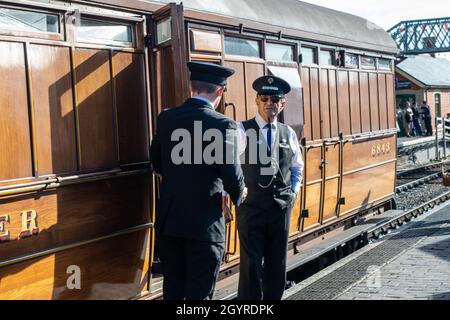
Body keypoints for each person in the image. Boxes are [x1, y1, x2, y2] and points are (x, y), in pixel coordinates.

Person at [150, 61, 247, 300]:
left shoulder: (167, 118)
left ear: (191, 87)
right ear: (220, 91)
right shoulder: (224, 125)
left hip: (171, 223)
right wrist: (239, 192)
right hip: (205, 226)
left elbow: (156, 162)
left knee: (173, 290)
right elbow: (230, 171)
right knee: (200, 295)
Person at [236, 75, 304, 300]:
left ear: (282, 104)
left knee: (277, 263)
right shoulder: (241, 130)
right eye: (264, 98)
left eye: (275, 99)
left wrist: (294, 191)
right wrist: (230, 195)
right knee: (250, 266)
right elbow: (228, 165)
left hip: (279, 209)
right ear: (257, 101)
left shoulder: (288, 133)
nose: (269, 103)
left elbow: (297, 167)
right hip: (251, 208)